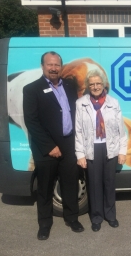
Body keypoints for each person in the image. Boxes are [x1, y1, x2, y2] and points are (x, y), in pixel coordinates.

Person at [23, 51, 84, 241]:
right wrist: (49, 146)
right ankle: (44, 224)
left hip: (69, 143)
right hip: (46, 147)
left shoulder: (69, 85)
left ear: (61, 67)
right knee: (45, 187)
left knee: (70, 183)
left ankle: (72, 218)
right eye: (49, 64)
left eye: (57, 65)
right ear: (43, 66)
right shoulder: (32, 89)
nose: (53, 68)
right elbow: (31, 121)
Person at [75, 69, 127, 232]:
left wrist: (122, 151)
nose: (96, 86)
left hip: (109, 147)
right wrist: (80, 154)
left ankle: (110, 215)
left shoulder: (113, 103)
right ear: (88, 86)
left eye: (98, 83)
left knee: (109, 183)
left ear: (104, 84)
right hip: (92, 148)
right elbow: (78, 131)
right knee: (94, 184)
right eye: (92, 84)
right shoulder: (81, 103)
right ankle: (96, 217)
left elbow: (121, 129)